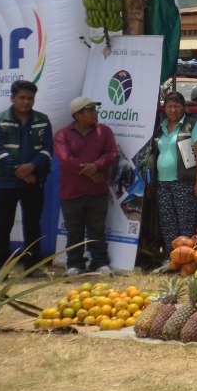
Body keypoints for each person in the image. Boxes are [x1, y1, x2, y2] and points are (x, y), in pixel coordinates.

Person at [0, 80, 52, 271]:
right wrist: (24, 174)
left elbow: (48, 150)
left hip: (34, 182)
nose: (26, 102)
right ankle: (1, 268)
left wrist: (33, 166)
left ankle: (32, 267)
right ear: (12, 98)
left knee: (33, 225)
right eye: (22, 98)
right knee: (3, 226)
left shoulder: (43, 120)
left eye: (30, 98)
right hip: (6, 183)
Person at [54, 96, 118, 275]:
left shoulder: (104, 132)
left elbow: (112, 153)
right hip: (71, 192)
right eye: (90, 110)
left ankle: (99, 263)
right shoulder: (62, 135)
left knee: (97, 230)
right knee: (74, 231)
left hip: (97, 192)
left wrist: (96, 166)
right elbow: (65, 159)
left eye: (94, 109)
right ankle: (75, 264)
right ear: (78, 115)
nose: (95, 113)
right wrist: (91, 171)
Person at [151, 92, 197, 263]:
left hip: (184, 181)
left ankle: (188, 259)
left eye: (176, 106)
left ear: (183, 107)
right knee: (168, 222)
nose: (173, 110)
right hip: (162, 182)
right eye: (169, 106)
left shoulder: (192, 125)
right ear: (164, 108)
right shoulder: (161, 127)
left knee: (186, 221)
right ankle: (172, 258)